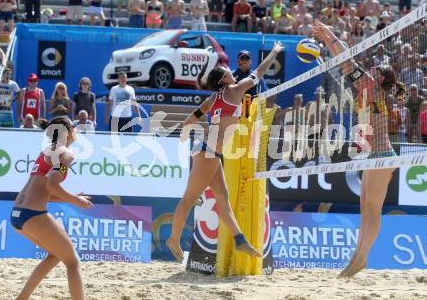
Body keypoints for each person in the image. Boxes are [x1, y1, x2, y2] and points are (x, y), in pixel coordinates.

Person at [166, 41, 284, 262]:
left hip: (209, 150)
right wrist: (275, 52)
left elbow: (193, 117)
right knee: (188, 199)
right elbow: (259, 72)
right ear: (224, 79)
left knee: (222, 198)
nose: (232, 70)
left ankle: (240, 241)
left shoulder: (215, 97)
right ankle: (173, 238)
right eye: (228, 71)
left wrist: (185, 131)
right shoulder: (235, 89)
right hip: (208, 150)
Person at [312, 19, 406, 278]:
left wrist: (328, 35)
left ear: (381, 78)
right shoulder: (367, 89)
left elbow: (346, 59)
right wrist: (328, 40)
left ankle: (361, 259)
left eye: (376, 68)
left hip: (384, 155)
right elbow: (344, 61)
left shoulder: (372, 88)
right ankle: (357, 257)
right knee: (365, 209)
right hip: (373, 156)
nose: (371, 68)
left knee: (372, 210)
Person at [11, 117, 93, 299]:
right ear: (68, 132)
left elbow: (45, 190)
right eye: (74, 126)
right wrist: (76, 200)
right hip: (32, 214)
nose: (77, 129)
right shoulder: (67, 154)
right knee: (73, 262)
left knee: (56, 254)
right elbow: (52, 185)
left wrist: (73, 198)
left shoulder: (46, 152)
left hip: (17, 214)